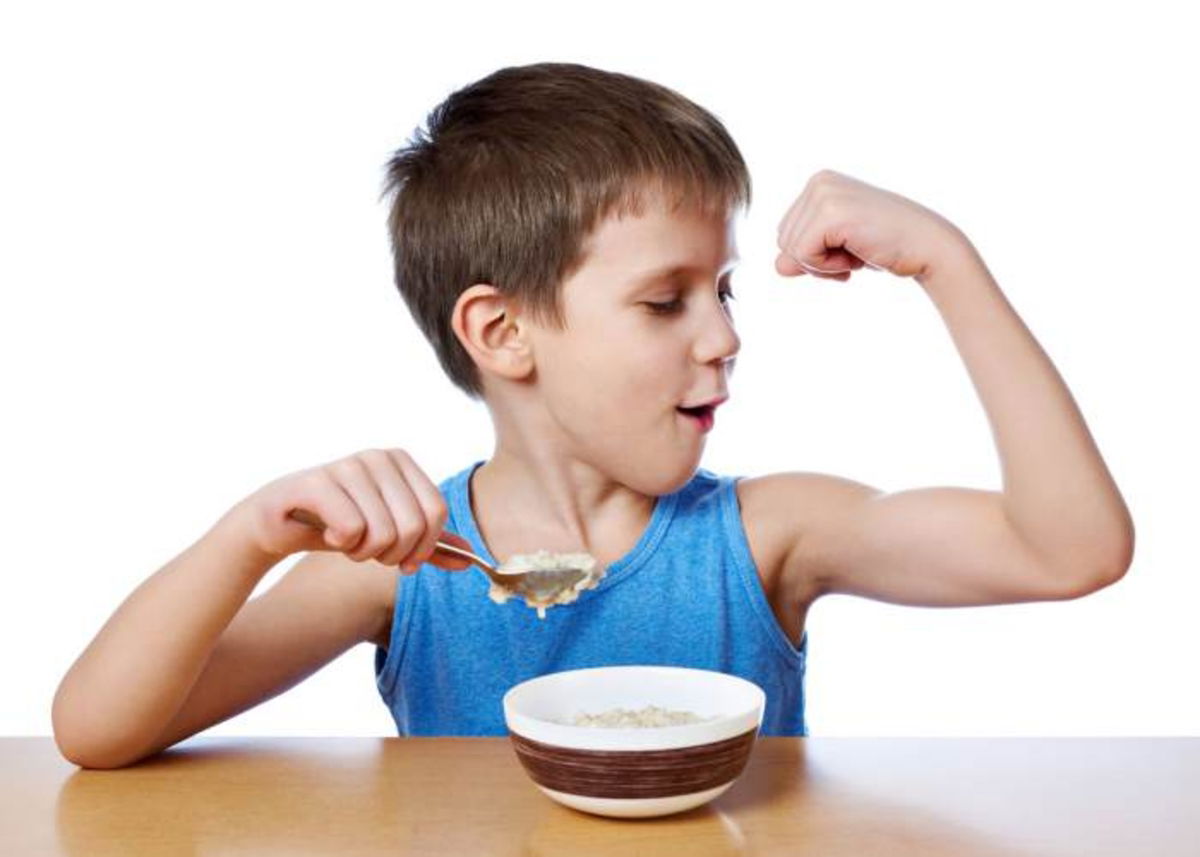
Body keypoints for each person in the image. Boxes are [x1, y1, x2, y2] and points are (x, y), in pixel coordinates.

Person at [51, 62, 1135, 769]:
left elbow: (1071, 549)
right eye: (665, 300)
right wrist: (250, 535)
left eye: (724, 289)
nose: (722, 336)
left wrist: (949, 262)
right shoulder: (412, 559)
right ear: (504, 332)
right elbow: (98, 731)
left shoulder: (768, 537)